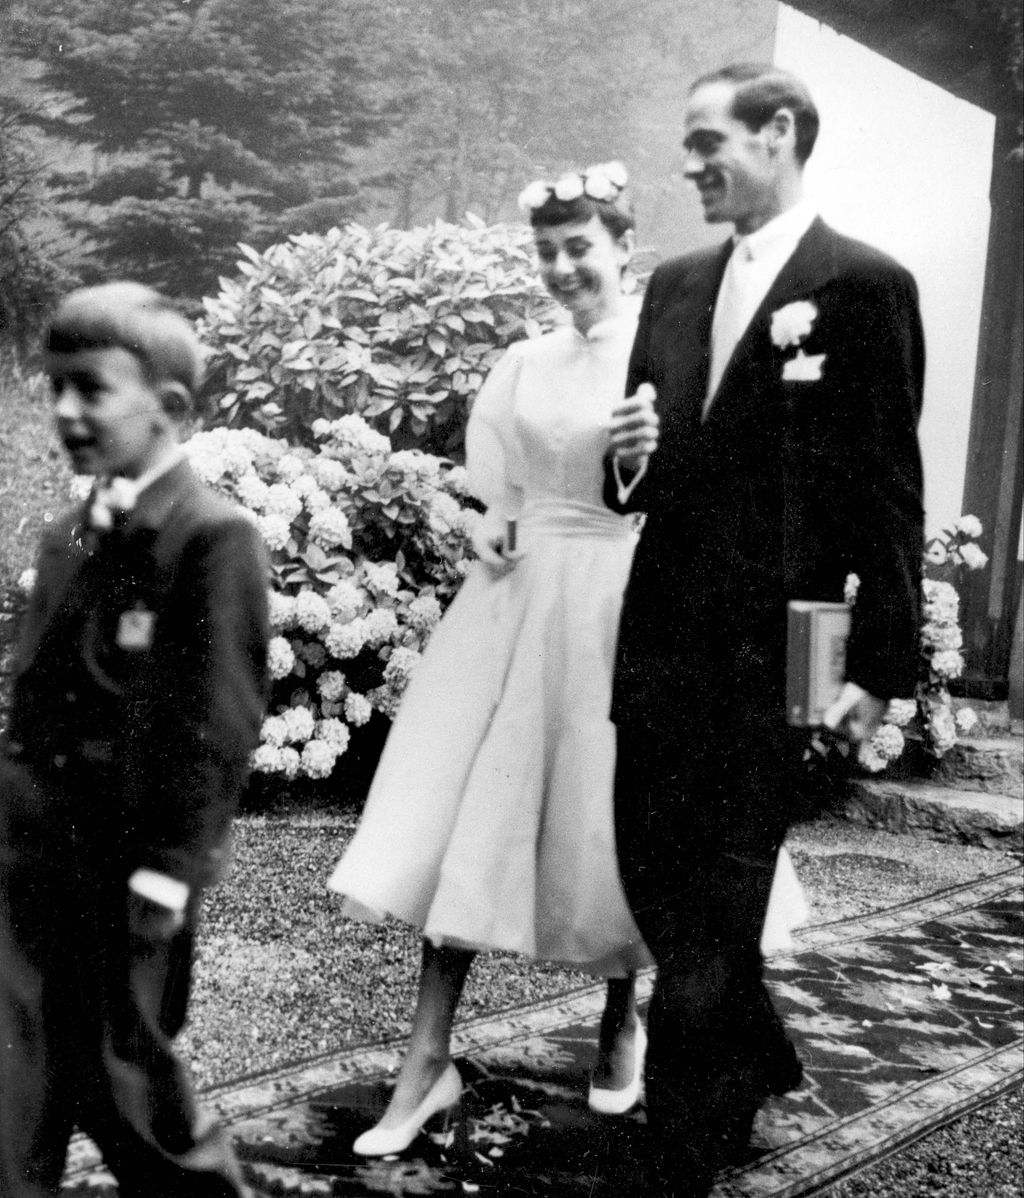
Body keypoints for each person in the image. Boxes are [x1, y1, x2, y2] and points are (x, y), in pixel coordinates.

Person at [328, 162, 808, 1159]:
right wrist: (487, 526)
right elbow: (489, 483)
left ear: (621, 247)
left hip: (626, 605)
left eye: (578, 247)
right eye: (546, 252)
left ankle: (622, 1008)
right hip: (512, 612)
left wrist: (643, 461)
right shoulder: (521, 361)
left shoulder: (668, 351)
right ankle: (426, 1061)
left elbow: (688, 484)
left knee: (622, 817)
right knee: (468, 822)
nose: (561, 268)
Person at [605, 64, 925, 1196]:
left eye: (707, 140)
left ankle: (680, 1145)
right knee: (649, 871)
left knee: (719, 901)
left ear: (778, 132)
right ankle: (753, 1051)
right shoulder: (676, 283)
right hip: (655, 645)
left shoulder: (863, 285)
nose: (688, 163)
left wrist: (879, 671)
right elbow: (634, 475)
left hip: (780, 650)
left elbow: (888, 488)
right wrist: (627, 457)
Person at [0, 283, 270, 1197]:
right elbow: (34, 702)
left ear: (173, 408)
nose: (68, 411)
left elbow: (217, 725)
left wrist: (168, 867)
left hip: (124, 875)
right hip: (28, 862)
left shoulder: (210, 538)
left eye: (91, 388)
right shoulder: (70, 534)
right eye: (55, 388)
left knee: (127, 1093)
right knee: (13, 1090)